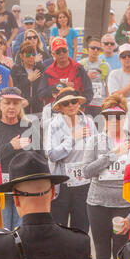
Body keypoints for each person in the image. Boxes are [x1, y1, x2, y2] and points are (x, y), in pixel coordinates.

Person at [82, 94, 130, 259]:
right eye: (110, 116)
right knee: (102, 252)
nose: (115, 120)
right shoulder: (95, 141)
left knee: (122, 254)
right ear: (104, 118)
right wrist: (113, 155)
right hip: (98, 203)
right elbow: (86, 171)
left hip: (124, 204)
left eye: (119, 116)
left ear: (125, 116)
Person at [46, 87, 97, 233]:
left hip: (84, 184)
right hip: (63, 185)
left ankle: (81, 256)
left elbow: (96, 151)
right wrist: (72, 139)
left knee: (81, 228)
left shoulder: (89, 122)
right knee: (59, 229)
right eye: (66, 103)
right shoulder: (55, 124)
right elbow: (52, 154)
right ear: (60, 108)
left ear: (79, 103)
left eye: (74, 101)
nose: (71, 106)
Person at [0, 87, 40, 231]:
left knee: (20, 232)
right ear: (0, 105)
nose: (11, 107)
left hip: (22, 188)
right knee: (3, 232)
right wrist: (11, 146)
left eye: (15, 103)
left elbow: (38, 157)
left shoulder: (29, 127)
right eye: (7, 103)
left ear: (21, 105)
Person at [38, 37, 93, 106]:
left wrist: (78, 106)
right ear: (53, 54)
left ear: (68, 51)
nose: (62, 53)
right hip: (55, 112)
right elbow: (41, 94)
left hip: (76, 111)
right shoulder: (48, 71)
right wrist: (58, 87)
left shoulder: (78, 68)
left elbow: (89, 92)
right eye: (58, 52)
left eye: (64, 50)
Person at [11, 41, 44, 116]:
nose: (31, 57)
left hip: (38, 111)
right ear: (21, 56)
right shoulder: (16, 70)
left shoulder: (40, 69)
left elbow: (42, 92)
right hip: (21, 111)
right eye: (28, 55)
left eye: (33, 54)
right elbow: (14, 90)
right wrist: (28, 80)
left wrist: (29, 101)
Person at [80, 36, 110, 118]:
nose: (95, 50)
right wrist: (87, 77)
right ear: (87, 49)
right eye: (93, 48)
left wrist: (108, 103)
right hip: (85, 103)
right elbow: (76, 84)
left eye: (98, 49)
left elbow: (108, 85)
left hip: (100, 103)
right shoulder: (80, 64)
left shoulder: (105, 65)